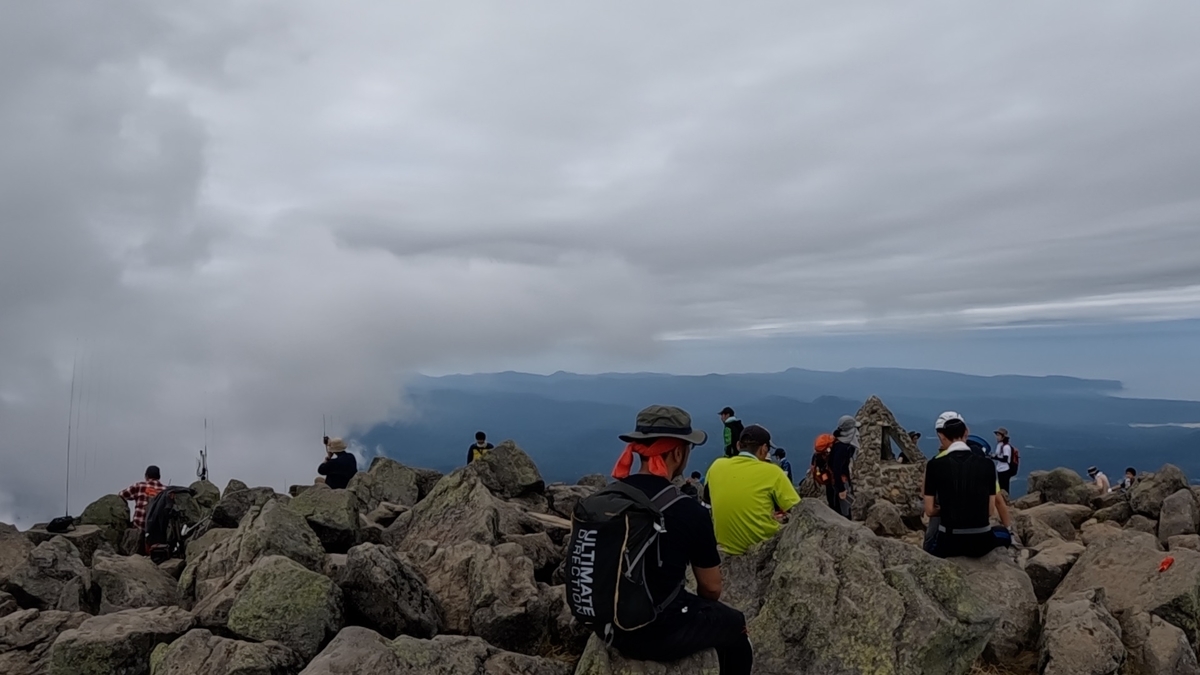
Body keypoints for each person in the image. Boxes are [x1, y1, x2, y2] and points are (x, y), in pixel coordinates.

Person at [607, 405, 753, 675]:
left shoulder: (609, 497)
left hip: (605, 624)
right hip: (653, 633)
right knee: (735, 624)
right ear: (677, 451)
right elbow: (711, 588)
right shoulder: (687, 510)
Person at [924, 412, 1013, 558]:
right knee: (1003, 534)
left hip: (948, 542)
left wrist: (949, 508)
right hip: (981, 542)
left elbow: (929, 510)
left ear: (940, 436)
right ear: (966, 432)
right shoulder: (988, 465)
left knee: (930, 546)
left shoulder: (934, 465)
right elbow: (990, 510)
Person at [706, 425, 801, 556]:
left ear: (739, 445)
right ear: (764, 449)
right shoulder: (772, 471)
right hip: (762, 547)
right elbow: (799, 509)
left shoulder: (716, 466)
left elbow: (707, 501)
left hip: (726, 548)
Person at [828, 415, 859, 518]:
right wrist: (841, 489)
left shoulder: (838, 443)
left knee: (843, 509)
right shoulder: (842, 447)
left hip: (839, 482)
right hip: (840, 482)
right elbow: (836, 468)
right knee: (843, 512)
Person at [119, 465, 165, 531]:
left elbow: (121, 495)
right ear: (159, 477)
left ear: (146, 476)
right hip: (157, 531)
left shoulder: (139, 486)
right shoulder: (165, 490)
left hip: (139, 528)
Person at [991, 427, 1016, 493]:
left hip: (1005, 469)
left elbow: (1005, 459)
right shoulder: (1000, 445)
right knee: (1001, 486)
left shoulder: (1006, 447)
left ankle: (1006, 500)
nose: (997, 437)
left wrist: (995, 457)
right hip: (1000, 469)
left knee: (1004, 487)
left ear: (1003, 437)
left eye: (999, 435)